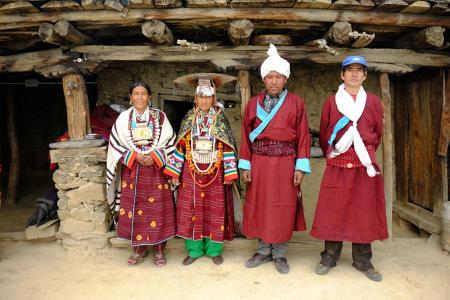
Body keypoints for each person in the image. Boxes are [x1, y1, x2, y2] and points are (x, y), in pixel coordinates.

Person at [310, 56, 388, 282]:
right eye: (349, 70)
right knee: (333, 210)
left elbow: (378, 133)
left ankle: (363, 259)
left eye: (359, 70)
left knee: (364, 212)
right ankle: (329, 257)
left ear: (365, 75)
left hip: (364, 164)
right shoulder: (331, 102)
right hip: (338, 163)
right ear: (342, 75)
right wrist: (341, 151)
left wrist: (363, 153)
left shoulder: (373, 102)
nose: (354, 74)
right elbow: (325, 136)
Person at [238, 44, 311, 274]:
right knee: (260, 205)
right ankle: (262, 250)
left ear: (285, 79)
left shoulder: (296, 103)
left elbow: (303, 137)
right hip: (259, 161)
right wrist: (245, 164)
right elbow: (245, 136)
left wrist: (300, 166)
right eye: (269, 77)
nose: (273, 81)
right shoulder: (253, 104)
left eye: (278, 77)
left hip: (285, 163)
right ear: (264, 79)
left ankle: (279, 253)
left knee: (282, 207)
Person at [164, 75, 239, 266]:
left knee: (216, 210)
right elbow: (181, 146)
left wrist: (230, 173)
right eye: (201, 97)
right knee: (191, 209)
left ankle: (214, 250)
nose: (204, 101)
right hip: (191, 171)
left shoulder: (220, 118)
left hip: (216, 172)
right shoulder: (189, 118)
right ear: (195, 98)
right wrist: (174, 172)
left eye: (208, 97)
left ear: (214, 98)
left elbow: (228, 146)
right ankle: (194, 250)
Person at [106, 80, 176, 267]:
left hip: (157, 171)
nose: (140, 97)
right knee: (134, 211)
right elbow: (115, 144)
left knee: (158, 210)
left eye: (143, 94)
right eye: (136, 94)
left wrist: (155, 155)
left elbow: (171, 142)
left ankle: (159, 250)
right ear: (130, 98)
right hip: (133, 171)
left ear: (150, 97)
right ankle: (139, 249)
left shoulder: (160, 118)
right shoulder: (122, 120)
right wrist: (135, 155)